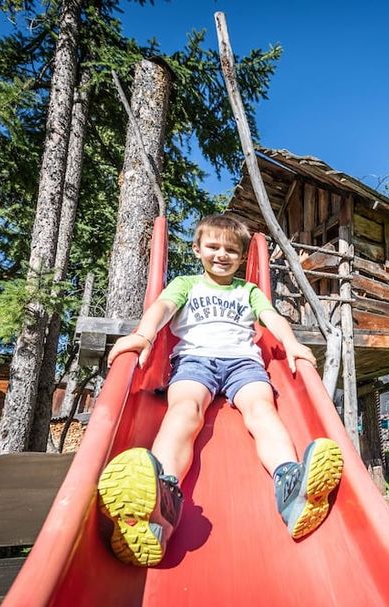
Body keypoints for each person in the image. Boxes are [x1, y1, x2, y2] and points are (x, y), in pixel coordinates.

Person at [97, 214, 343, 567]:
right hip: (195, 361)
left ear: (242, 257)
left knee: (262, 409)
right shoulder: (186, 284)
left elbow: (272, 318)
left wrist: (291, 344)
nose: (221, 255)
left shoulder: (248, 291)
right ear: (197, 249)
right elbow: (162, 308)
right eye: (213, 246)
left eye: (231, 250)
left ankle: (290, 484)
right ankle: (161, 495)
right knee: (185, 410)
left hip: (244, 363)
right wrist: (144, 336)